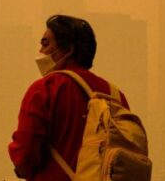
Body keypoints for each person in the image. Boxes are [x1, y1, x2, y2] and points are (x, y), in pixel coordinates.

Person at [8, 14, 130, 181]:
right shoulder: (115, 96)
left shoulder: (45, 89)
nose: (41, 51)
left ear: (67, 50)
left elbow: (24, 155)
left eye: (46, 44)